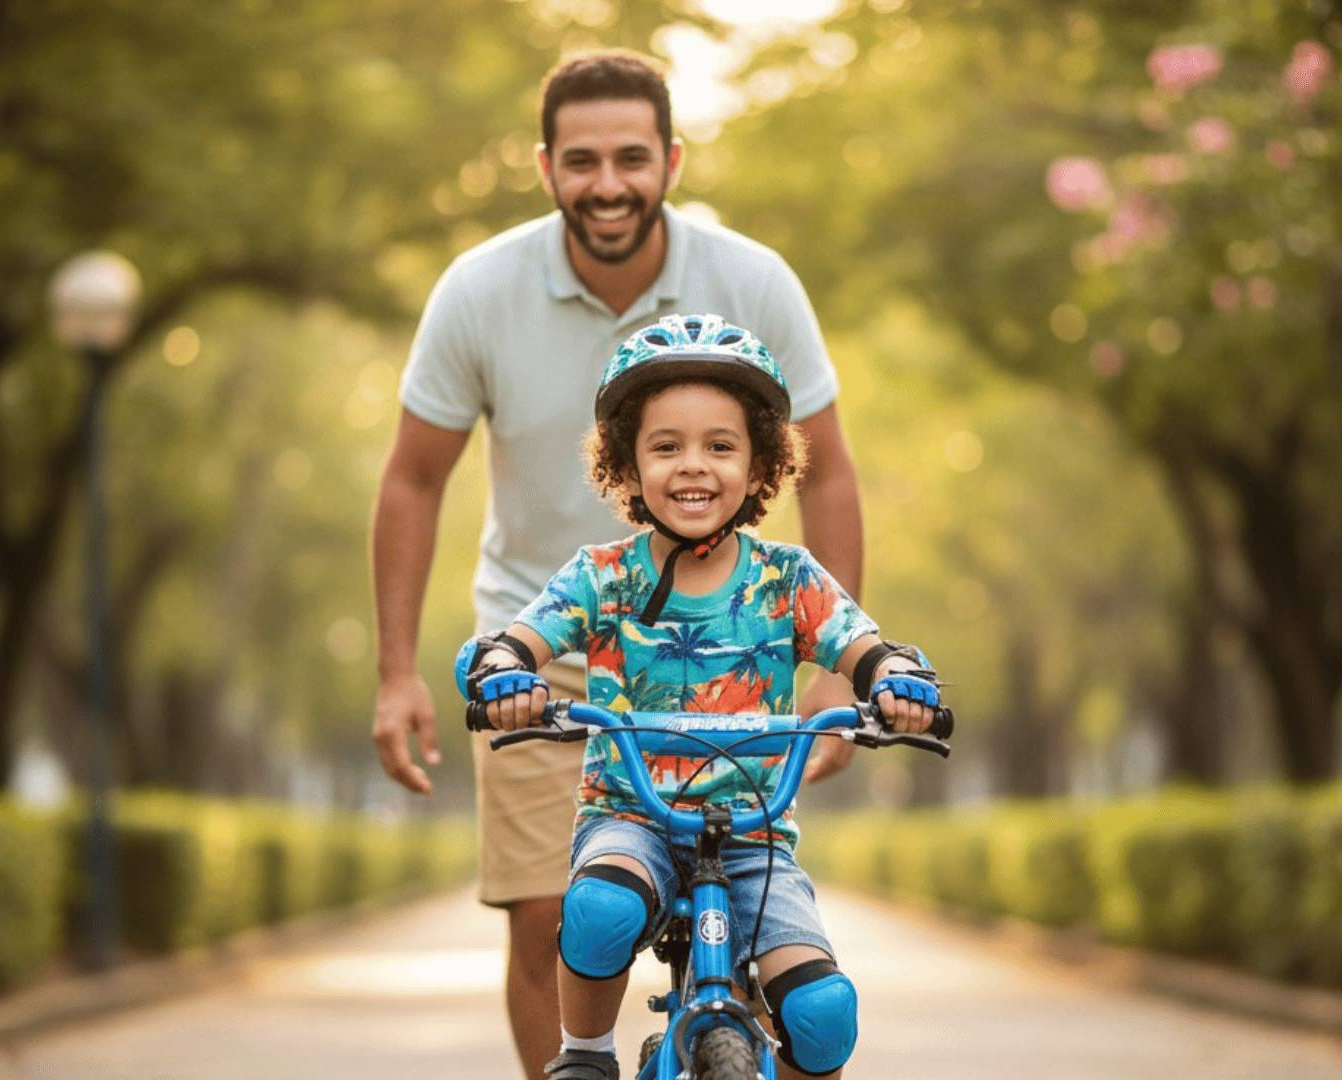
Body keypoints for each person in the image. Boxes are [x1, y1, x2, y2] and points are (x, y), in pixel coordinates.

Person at [369, 50, 865, 1077]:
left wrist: (837, 667)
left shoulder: (752, 280)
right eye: (583, 160)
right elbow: (414, 480)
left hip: (733, 642)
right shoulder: (480, 290)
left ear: (671, 161)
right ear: (546, 166)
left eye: (632, 157)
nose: (608, 183)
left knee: (771, 924)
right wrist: (397, 672)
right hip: (541, 650)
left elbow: (830, 474)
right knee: (557, 911)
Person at [458, 314, 945, 1080]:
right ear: (627, 463)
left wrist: (894, 680)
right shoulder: (601, 575)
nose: (694, 466)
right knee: (599, 909)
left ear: (761, 468)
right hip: (631, 817)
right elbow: (522, 640)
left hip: (755, 839)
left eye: (721, 446)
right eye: (666, 446)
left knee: (823, 1015)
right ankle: (583, 1057)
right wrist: (503, 672)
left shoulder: (790, 579)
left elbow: (864, 646)